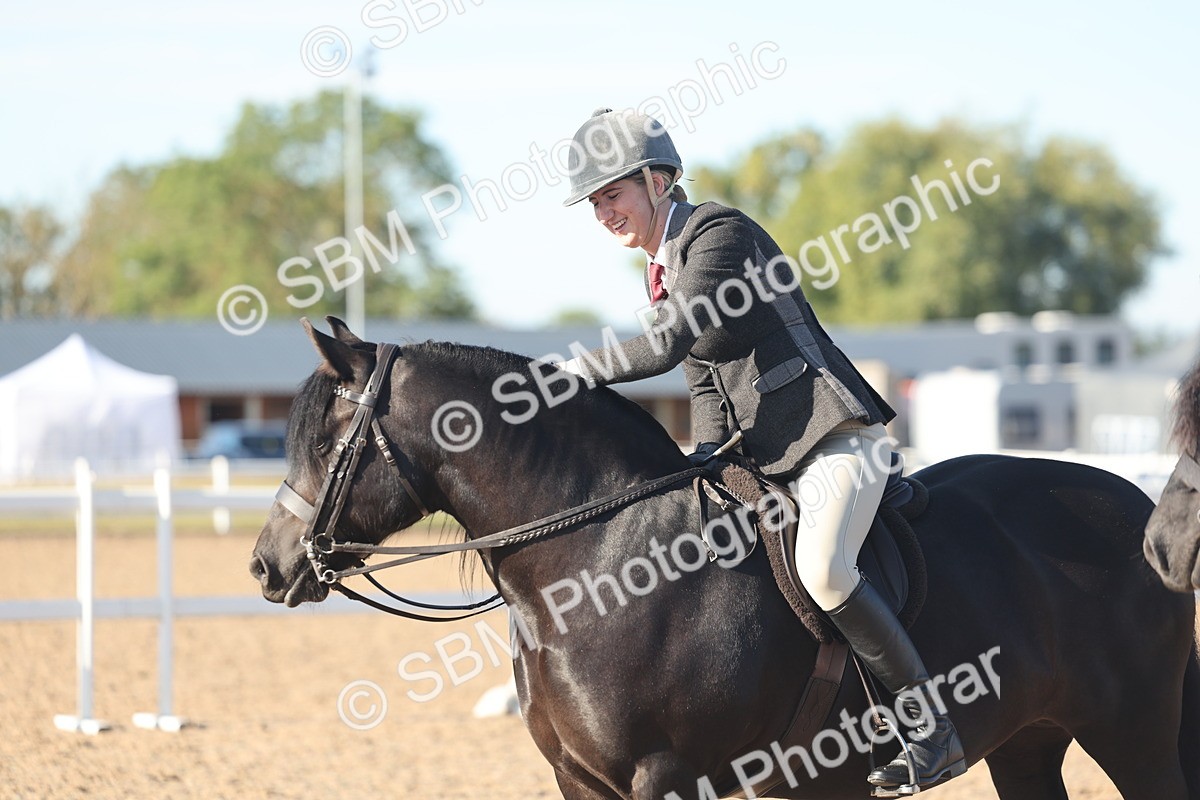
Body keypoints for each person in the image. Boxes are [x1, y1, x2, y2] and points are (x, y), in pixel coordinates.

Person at [555, 107, 965, 790]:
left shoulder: (720, 234)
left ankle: (932, 730)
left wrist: (576, 370)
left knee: (825, 571)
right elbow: (703, 381)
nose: (604, 213)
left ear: (658, 181)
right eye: (594, 202)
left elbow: (667, 345)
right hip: (765, 458)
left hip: (832, 438)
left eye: (612, 194)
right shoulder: (661, 270)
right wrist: (703, 459)